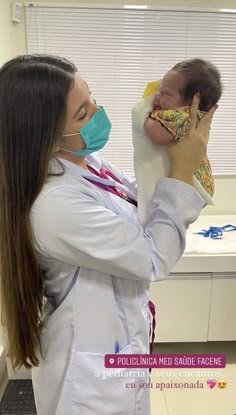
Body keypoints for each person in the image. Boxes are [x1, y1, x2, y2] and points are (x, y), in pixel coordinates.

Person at [0, 54, 216, 415]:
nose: (99, 113)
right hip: (90, 371)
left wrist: (180, 149)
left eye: (92, 98)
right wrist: (182, 173)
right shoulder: (54, 204)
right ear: (44, 133)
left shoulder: (85, 163)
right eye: (83, 113)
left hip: (119, 345)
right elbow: (152, 257)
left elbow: (143, 202)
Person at [132, 58, 222, 224]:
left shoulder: (181, 115)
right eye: (160, 89)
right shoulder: (185, 114)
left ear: (192, 101)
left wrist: (144, 116)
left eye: (166, 93)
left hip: (196, 183)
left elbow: (157, 135)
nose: (157, 96)